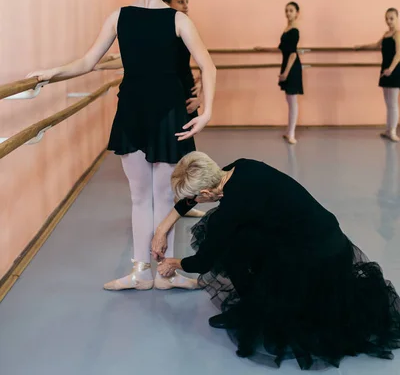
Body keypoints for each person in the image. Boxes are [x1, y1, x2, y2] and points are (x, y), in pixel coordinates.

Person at [27, 0, 216, 291]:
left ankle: (166, 273)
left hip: (168, 113)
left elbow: (208, 65)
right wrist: (51, 74)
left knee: (165, 195)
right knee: (140, 197)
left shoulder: (178, 20)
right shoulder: (119, 18)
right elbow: (87, 62)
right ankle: (141, 273)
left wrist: (207, 111)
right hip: (132, 110)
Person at [153, 152, 400, 370]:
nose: (195, 202)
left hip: (315, 255)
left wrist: (173, 263)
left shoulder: (231, 210)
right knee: (238, 243)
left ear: (206, 193)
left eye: (197, 198)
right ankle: (251, 308)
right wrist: (162, 229)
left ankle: (257, 312)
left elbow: (202, 262)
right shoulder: (242, 166)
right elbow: (191, 199)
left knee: (228, 246)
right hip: (323, 233)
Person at [95, 0, 204, 218]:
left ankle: (178, 205)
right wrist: (100, 63)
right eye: (180, 1)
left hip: (181, 92)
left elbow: (200, 62)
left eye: (187, 1)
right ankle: (167, 206)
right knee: (169, 158)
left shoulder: (183, 25)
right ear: (168, 3)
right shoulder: (162, 25)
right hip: (166, 97)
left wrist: (199, 91)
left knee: (181, 158)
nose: (185, 6)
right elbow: (139, 61)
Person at [255, 2, 303, 144]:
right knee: (289, 100)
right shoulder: (287, 29)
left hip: (292, 68)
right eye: (286, 10)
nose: (288, 13)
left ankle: (292, 134)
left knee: (293, 101)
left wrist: (286, 73)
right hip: (287, 66)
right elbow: (281, 49)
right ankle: (289, 131)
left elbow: (293, 54)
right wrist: (263, 49)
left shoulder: (295, 30)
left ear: (297, 13)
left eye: (291, 11)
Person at [356, 8, 400, 142]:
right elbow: (376, 45)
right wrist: (360, 47)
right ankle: (388, 130)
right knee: (388, 103)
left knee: (393, 103)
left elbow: (399, 55)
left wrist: (391, 69)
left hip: (394, 71)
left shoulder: (397, 34)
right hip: (385, 70)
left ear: (397, 18)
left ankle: (393, 131)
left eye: (391, 18)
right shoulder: (386, 34)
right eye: (387, 19)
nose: (389, 21)